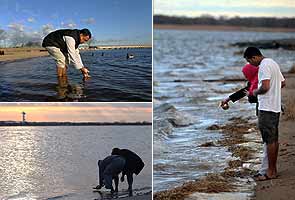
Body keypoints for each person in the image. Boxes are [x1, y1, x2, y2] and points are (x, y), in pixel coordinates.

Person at [243, 46, 285, 181]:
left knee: (269, 140)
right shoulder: (273, 63)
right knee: (274, 139)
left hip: (267, 107)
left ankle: (271, 172)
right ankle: (273, 169)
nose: (251, 65)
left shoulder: (263, 66)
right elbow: (282, 83)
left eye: (250, 61)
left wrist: (255, 92)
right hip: (275, 107)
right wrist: (274, 90)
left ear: (254, 57)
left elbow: (265, 87)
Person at [221, 63, 269, 177]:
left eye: (246, 74)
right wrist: (228, 99)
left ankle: (266, 169)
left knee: (267, 140)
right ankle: (266, 167)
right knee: (266, 140)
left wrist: (250, 95)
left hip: (266, 110)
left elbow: (254, 96)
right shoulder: (254, 80)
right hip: (262, 110)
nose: (246, 76)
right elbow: (245, 91)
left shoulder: (259, 81)